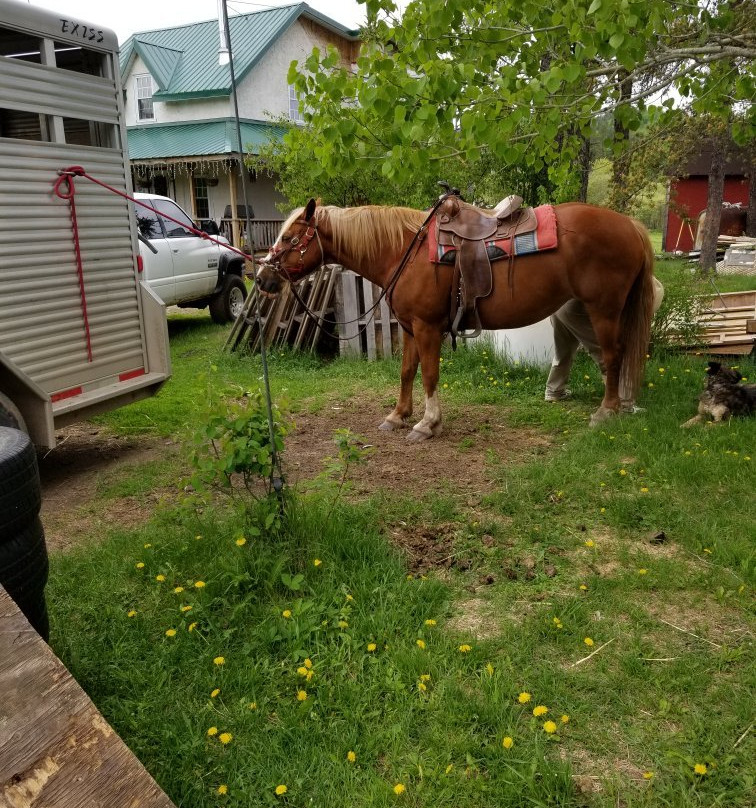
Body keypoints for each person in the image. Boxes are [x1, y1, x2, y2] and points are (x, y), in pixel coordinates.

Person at [544, 277, 664, 413]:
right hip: (575, 309)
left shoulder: (621, 273)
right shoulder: (633, 288)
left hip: (558, 305)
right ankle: (624, 405)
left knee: (563, 351)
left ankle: (554, 391)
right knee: (610, 356)